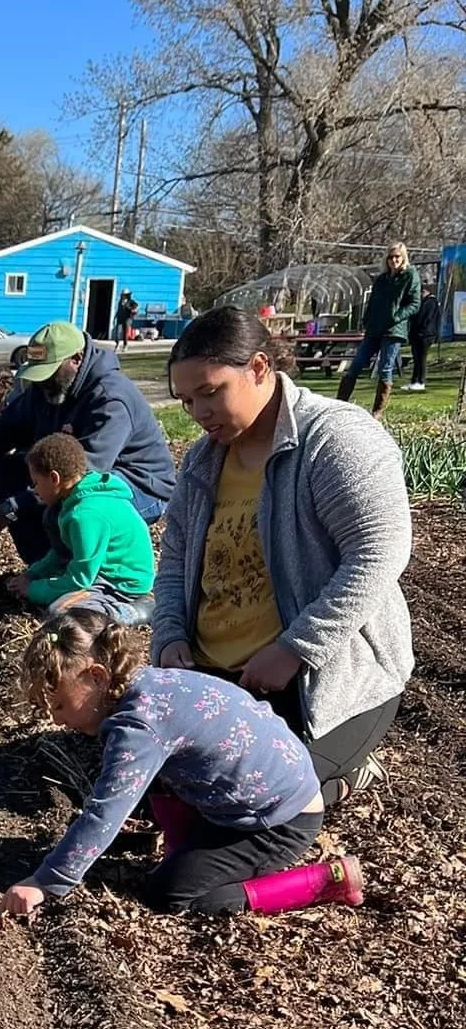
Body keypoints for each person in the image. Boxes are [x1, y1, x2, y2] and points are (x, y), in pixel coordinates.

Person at [156, 306, 413, 807]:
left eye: (210, 393)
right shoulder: (204, 461)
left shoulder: (334, 438)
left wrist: (295, 648)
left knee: (249, 797)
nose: (199, 413)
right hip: (218, 672)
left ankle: (337, 773)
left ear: (258, 368)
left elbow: (379, 552)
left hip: (313, 679)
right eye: (187, 401)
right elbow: (174, 559)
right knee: (156, 782)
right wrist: (168, 634)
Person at [1, 610, 363, 921]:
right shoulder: (148, 685)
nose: (56, 719)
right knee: (150, 783)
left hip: (279, 821)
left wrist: (45, 883)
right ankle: (183, 849)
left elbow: (103, 815)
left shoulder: (138, 728)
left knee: (170, 894)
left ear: (97, 677)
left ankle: (323, 880)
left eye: (60, 704)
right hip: (266, 789)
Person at [0, 320, 177, 563]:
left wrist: (12, 508)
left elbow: (83, 474)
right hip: (78, 476)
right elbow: (6, 426)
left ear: (76, 359)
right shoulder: (45, 390)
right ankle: (44, 569)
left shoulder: (110, 399)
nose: (43, 383)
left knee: (74, 508)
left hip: (138, 487)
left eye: (50, 373)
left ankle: (84, 582)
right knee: (6, 472)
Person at [6, 434, 156, 624]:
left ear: (54, 478)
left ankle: (133, 611)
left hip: (122, 583)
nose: (34, 490)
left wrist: (33, 590)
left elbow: (80, 579)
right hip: (103, 571)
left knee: (61, 612)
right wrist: (32, 574)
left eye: (36, 482)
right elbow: (62, 553)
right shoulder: (80, 497)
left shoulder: (85, 515)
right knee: (57, 595)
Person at [336, 242, 420, 418]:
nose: (394, 260)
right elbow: (372, 301)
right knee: (357, 363)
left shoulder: (410, 276)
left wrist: (396, 316)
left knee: (385, 368)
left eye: (397, 257)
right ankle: (340, 402)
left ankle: (377, 411)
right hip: (374, 328)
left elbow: (414, 303)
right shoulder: (382, 279)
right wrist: (366, 320)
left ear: (403, 257)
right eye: (390, 257)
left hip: (393, 329)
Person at [406, 276, 440, 391]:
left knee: (422, 358)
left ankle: (421, 381)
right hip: (417, 334)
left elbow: (425, 318)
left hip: (426, 335)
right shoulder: (422, 302)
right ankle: (414, 380)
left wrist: (420, 327)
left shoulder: (431, 302)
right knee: (416, 358)